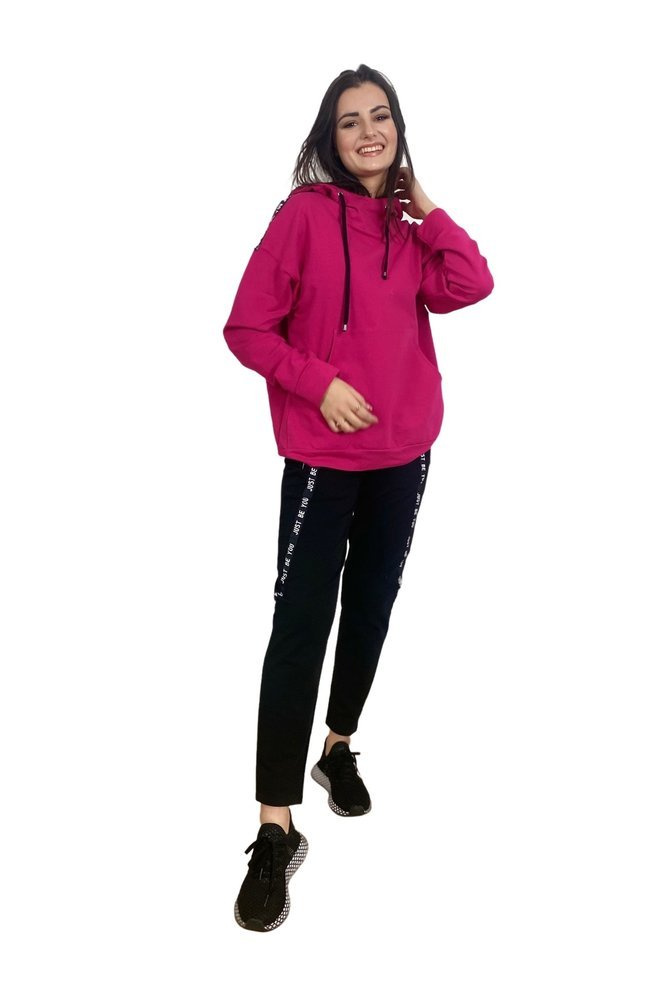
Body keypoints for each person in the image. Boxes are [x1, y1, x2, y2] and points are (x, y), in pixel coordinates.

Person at [222, 63, 494, 932]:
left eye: (381, 117)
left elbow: (471, 284)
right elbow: (245, 327)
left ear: (399, 132)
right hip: (322, 456)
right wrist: (319, 384)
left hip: (405, 453)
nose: (368, 131)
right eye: (350, 121)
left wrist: (426, 206)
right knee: (300, 626)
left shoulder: (408, 232)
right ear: (328, 138)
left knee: (370, 607)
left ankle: (336, 747)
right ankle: (274, 827)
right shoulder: (302, 217)